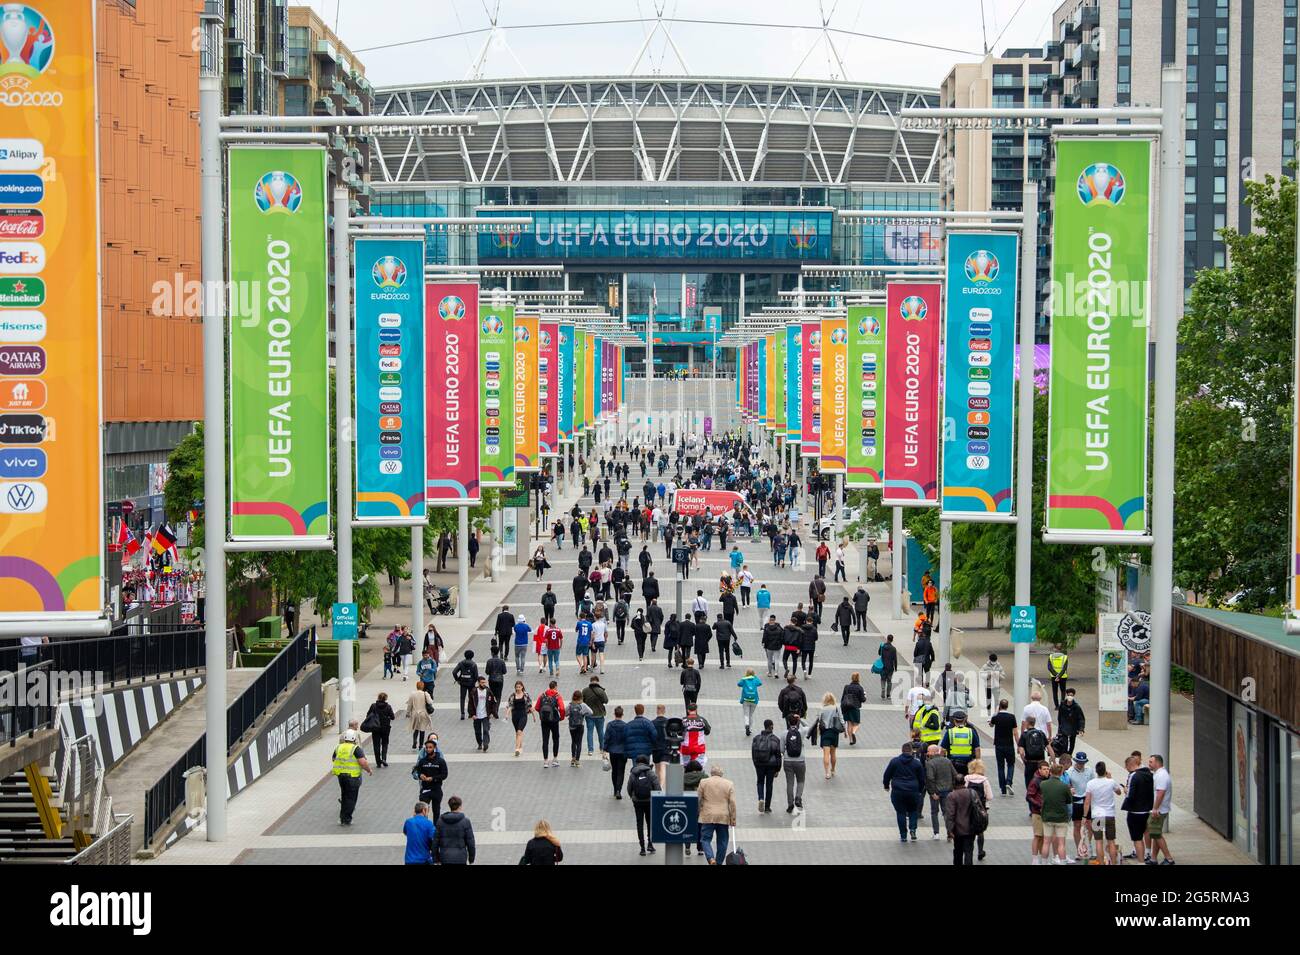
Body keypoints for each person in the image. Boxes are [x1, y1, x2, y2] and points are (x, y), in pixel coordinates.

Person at [883, 741, 925, 843]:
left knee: (900, 812)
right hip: (913, 791)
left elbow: (887, 774)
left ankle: (903, 835)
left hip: (898, 791)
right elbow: (922, 779)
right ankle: (913, 829)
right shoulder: (917, 763)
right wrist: (919, 790)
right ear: (911, 751)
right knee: (913, 811)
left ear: (902, 751)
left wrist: (886, 785)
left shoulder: (894, 761)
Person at [331, 729, 373, 826]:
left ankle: (342, 817)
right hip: (352, 777)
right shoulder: (356, 749)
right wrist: (368, 770)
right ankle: (347, 819)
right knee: (351, 798)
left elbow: (334, 758)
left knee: (344, 796)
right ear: (354, 739)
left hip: (341, 776)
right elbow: (363, 762)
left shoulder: (338, 747)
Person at [697, 765, 737, 865]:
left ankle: (711, 859)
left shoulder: (703, 782)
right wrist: (733, 818)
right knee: (723, 842)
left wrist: (698, 811)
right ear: (721, 774)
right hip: (723, 816)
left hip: (707, 815)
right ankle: (718, 862)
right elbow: (732, 802)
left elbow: (698, 799)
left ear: (711, 773)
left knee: (705, 839)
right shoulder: (729, 784)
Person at [1083, 761, 1122, 865]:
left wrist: (1084, 816)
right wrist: (1110, 778)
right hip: (1109, 815)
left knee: (1098, 841)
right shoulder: (1111, 782)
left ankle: (1100, 862)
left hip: (1097, 816)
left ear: (1096, 771)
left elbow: (1087, 801)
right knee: (1111, 841)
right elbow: (1119, 792)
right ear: (1105, 771)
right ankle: (1113, 863)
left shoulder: (1090, 783)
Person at [1122, 753, 1155, 863]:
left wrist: (1126, 792)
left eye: (1126, 767)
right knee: (1146, 831)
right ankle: (1148, 853)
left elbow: (1130, 795)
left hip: (1135, 812)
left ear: (1129, 765)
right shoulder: (1149, 774)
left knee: (1137, 839)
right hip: (1147, 810)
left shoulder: (1133, 776)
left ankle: (1141, 861)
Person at [1039, 762, 1074, 865]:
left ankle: (1044, 862)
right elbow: (1068, 801)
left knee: (1046, 842)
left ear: (1050, 771)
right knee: (1061, 843)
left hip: (1047, 817)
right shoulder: (1064, 786)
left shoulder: (1043, 784)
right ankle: (1062, 862)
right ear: (1061, 772)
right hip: (1061, 818)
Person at [627, 754, 661, 856]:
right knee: (650, 822)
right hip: (649, 801)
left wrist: (633, 797)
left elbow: (629, 788)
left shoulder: (633, 773)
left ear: (637, 762)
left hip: (637, 801)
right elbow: (657, 787)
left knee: (639, 823)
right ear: (646, 762)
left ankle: (642, 847)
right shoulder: (650, 773)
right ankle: (650, 843)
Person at [924, 744, 956, 842]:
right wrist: (953, 787)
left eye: (929, 751)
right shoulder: (947, 761)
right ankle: (949, 832)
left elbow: (930, 779)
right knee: (946, 812)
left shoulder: (930, 763)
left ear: (934, 752)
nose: (927, 753)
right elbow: (954, 774)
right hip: (947, 791)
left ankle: (936, 833)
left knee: (934, 812)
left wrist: (932, 792)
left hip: (936, 792)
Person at [964, 758, 994, 861]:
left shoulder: (967, 778)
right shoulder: (984, 780)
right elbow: (990, 796)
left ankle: (969, 851)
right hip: (982, 808)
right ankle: (980, 851)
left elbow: (964, 792)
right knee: (980, 829)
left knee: (969, 829)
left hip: (969, 807)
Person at [1148, 754, 1176, 865]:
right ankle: (1153, 859)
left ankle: (1169, 859)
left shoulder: (1162, 776)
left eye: (1151, 762)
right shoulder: (1159, 774)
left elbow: (1161, 793)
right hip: (1160, 809)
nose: (1149, 764)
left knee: (1155, 834)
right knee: (1155, 834)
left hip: (1159, 811)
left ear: (1157, 763)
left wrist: (1155, 809)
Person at [750, 718, 782, 814]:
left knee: (760, 782)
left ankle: (761, 798)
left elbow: (753, 752)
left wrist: (755, 763)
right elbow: (778, 755)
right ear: (771, 726)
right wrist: (778, 769)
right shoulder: (775, 739)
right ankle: (767, 807)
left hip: (759, 764)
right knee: (769, 785)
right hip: (771, 766)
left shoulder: (756, 738)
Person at [433, 796, 476, 865]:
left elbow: (435, 842)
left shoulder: (440, 821)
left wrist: (436, 859)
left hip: (445, 857)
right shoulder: (465, 821)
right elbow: (471, 843)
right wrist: (471, 859)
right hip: (460, 858)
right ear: (460, 806)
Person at [989, 698, 1019, 796]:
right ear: (1007, 706)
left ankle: (1003, 788)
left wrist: (996, 712)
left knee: (1000, 766)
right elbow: (1015, 732)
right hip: (1009, 744)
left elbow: (991, 725)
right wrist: (1019, 745)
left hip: (998, 745)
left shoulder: (996, 717)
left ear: (1000, 706)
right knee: (1011, 764)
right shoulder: (1012, 717)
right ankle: (1009, 782)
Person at [534, 679, 565, 768]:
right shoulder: (557, 696)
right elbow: (562, 708)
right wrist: (561, 717)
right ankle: (555, 759)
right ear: (555, 687)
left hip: (544, 721)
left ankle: (545, 761)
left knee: (545, 740)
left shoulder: (542, 695)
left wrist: (542, 714)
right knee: (556, 739)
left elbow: (536, 707)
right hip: (554, 720)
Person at [781, 713, 808, 814]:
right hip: (800, 761)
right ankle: (798, 798)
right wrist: (800, 720)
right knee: (801, 781)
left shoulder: (784, 733)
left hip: (788, 761)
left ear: (788, 722)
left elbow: (781, 748)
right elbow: (809, 727)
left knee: (790, 783)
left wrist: (786, 754)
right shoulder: (801, 732)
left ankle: (790, 805)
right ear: (797, 722)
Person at [414, 736, 448, 816]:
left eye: (430, 747)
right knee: (423, 811)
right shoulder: (422, 761)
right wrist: (420, 775)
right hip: (425, 789)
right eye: (427, 748)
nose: (428, 749)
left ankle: (435, 828)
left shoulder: (440, 761)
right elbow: (417, 771)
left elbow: (444, 775)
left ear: (434, 748)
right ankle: (424, 826)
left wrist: (433, 778)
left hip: (436, 789)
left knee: (436, 812)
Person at [815, 692, 845, 779]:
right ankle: (833, 769)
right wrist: (845, 731)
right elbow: (842, 719)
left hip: (825, 733)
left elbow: (818, 721)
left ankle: (827, 772)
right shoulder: (836, 708)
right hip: (834, 732)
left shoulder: (822, 709)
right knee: (833, 753)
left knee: (826, 754)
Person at [940, 710, 980, 774]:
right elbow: (977, 749)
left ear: (954, 720)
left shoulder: (950, 732)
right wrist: (978, 763)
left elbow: (943, 750)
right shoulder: (971, 731)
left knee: (954, 781)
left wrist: (941, 762)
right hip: (968, 762)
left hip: (953, 762)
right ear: (964, 720)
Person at [364, 692, 396, 768]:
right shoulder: (388, 707)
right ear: (386, 698)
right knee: (385, 743)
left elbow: (368, 715)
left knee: (376, 745)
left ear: (378, 698)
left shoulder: (373, 706)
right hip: (385, 728)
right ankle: (384, 758)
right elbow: (393, 717)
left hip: (375, 727)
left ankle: (378, 762)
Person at [1018, 715, 1049, 790]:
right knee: (1041, 784)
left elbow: (1021, 752)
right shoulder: (1041, 733)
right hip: (1040, 763)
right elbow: (1049, 748)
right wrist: (1053, 760)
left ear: (1027, 723)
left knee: (1029, 785)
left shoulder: (1024, 735)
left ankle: (1031, 799)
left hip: (1030, 763)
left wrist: (1024, 760)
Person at [604, 706, 629, 797]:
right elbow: (627, 739)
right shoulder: (626, 726)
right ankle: (619, 790)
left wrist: (605, 749)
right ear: (622, 714)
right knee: (621, 771)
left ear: (614, 714)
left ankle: (615, 789)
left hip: (613, 751)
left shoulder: (610, 725)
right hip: (622, 752)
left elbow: (606, 738)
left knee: (614, 771)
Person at [468, 675, 497, 752]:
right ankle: (480, 743)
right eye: (482, 682)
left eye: (485, 682)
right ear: (478, 683)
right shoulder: (474, 691)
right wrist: (472, 714)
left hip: (485, 715)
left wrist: (492, 713)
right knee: (477, 731)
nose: (484, 684)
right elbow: (470, 703)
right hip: (477, 715)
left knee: (486, 730)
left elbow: (493, 703)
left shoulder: (488, 691)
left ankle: (486, 744)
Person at [581, 676, 608, 758]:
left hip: (589, 715)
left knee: (590, 732)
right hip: (600, 714)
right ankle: (602, 748)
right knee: (600, 732)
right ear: (597, 681)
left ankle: (590, 750)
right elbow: (606, 701)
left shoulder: (585, 690)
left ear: (590, 681)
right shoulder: (601, 691)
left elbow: (582, 701)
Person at [567, 691, 593, 767]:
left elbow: (565, 713)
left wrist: (570, 714)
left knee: (573, 742)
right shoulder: (583, 705)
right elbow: (591, 712)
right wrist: (584, 714)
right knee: (579, 743)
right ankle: (577, 760)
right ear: (581, 697)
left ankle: (573, 759)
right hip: (580, 725)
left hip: (571, 726)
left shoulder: (570, 704)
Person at [406, 680, 434, 750]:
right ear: (423, 686)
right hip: (423, 713)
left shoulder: (413, 694)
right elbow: (430, 702)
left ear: (417, 686)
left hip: (415, 713)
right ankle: (421, 745)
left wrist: (408, 713)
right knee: (422, 729)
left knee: (416, 728)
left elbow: (409, 705)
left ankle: (414, 741)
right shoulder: (425, 694)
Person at [506, 681, 532, 757]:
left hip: (523, 715)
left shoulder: (526, 695)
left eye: (519, 687)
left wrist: (533, 715)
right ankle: (520, 747)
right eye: (516, 687)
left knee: (519, 731)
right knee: (517, 732)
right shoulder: (512, 695)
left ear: (522, 687)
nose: (518, 688)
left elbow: (529, 705)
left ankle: (516, 749)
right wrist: (507, 714)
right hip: (515, 716)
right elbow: (510, 705)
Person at [840, 673, 867, 746]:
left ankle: (851, 740)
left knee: (849, 724)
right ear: (858, 679)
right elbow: (863, 699)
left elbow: (842, 698)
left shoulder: (846, 687)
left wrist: (842, 708)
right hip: (855, 707)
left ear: (852, 678)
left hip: (846, 707)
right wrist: (865, 696)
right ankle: (854, 732)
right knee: (857, 723)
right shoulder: (860, 688)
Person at [452, 650, 479, 721]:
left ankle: (462, 713)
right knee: (471, 698)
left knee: (462, 698)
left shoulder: (461, 663)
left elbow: (454, 672)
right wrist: (474, 682)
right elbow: (476, 676)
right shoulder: (473, 664)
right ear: (472, 656)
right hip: (471, 683)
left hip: (463, 683)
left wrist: (457, 679)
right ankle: (471, 713)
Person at [737, 668, 762, 736]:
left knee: (746, 714)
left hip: (745, 699)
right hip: (754, 700)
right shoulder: (755, 679)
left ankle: (746, 724)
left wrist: (744, 677)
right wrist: (755, 677)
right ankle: (750, 729)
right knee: (751, 715)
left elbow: (738, 684)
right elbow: (760, 683)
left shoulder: (744, 680)